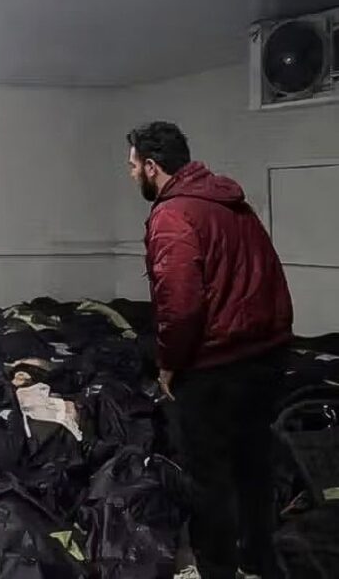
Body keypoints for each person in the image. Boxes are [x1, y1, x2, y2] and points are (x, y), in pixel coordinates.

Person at [126, 122, 293, 579]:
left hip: (213, 366)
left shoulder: (172, 214)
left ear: (152, 167)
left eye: (133, 166)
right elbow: (270, 275)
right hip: (266, 357)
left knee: (208, 477)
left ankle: (217, 569)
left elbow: (179, 305)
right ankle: (258, 561)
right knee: (254, 465)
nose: (131, 174)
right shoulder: (232, 204)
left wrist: (169, 363)